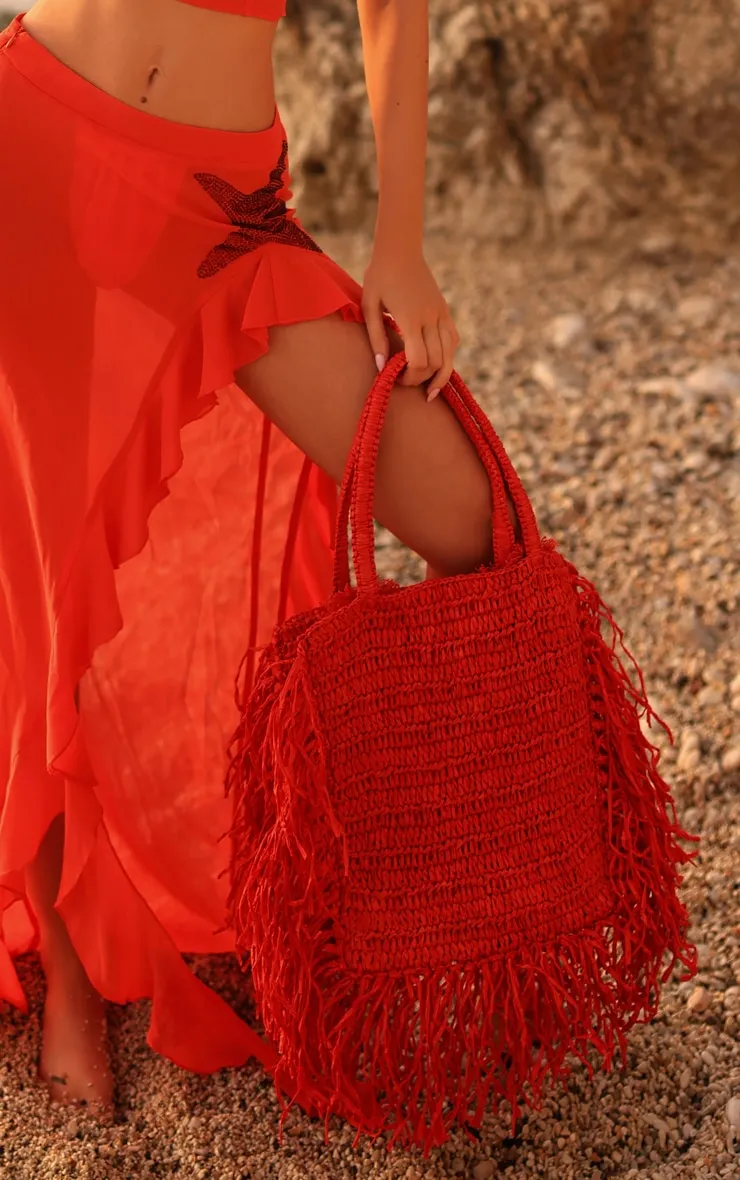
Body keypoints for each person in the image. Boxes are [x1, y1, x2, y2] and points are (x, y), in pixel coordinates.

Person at [0, 0, 513, 1115]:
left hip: (220, 204)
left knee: (464, 512)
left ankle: (415, 867)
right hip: (33, 134)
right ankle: (73, 974)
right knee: (38, 578)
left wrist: (398, 243)